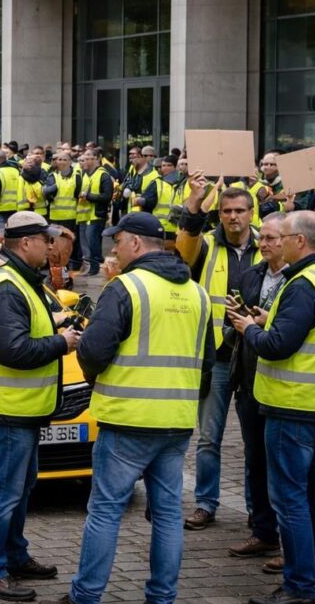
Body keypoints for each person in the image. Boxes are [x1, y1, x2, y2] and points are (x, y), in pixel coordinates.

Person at [64, 212, 213, 604]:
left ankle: (86, 595)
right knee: (166, 514)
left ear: (135, 243)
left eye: (118, 240)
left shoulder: (126, 288)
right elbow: (208, 364)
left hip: (127, 418)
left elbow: (93, 350)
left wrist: (98, 381)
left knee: (105, 511)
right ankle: (162, 597)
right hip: (176, 421)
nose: (113, 248)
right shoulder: (197, 292)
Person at [230, 210, 315, 604]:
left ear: (300, 241)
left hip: (293, 407)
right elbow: (308, 331)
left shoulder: (303, 284)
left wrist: (249, 328)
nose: (276, 242)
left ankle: (299, 586)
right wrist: (271, 320)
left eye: (282, 236)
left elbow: (277, 346)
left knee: (290, 500)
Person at [0, 211, 79, 602]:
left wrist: (56, 324)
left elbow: (25, 329)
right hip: (5, 408)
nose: (51, 247)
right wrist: (63, 343)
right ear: (25, 243)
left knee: (19, 487)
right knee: (4, 491)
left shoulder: (20, 280)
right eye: (46, 241)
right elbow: (13, 350)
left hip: (19, 407)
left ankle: (13, 556)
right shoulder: (5, 286)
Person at [176, 173, 261, 530]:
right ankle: (206, 504)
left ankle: (259, 510)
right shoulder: (208, 245)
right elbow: (184, 250)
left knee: (255, 442)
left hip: (256, 357)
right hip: (217, 359)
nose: (233, 217)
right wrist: (194, 203)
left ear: (252, 213)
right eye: (226, 210)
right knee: (209, 438)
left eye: (240, 210)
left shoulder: (268, 245)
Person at [225, 212, 289, 568]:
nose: (263, 244)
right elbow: (240, 327)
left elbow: (286, 332)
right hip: (249, 380)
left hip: (282, 387)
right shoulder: (251, 274)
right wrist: (240, 320)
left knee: (285, 468)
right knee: (256, 462)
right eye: (261, 238)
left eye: (271, 238)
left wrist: (259, 324)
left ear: (291, 239)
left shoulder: (296, 279)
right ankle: (264, 532)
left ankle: (291, 541)